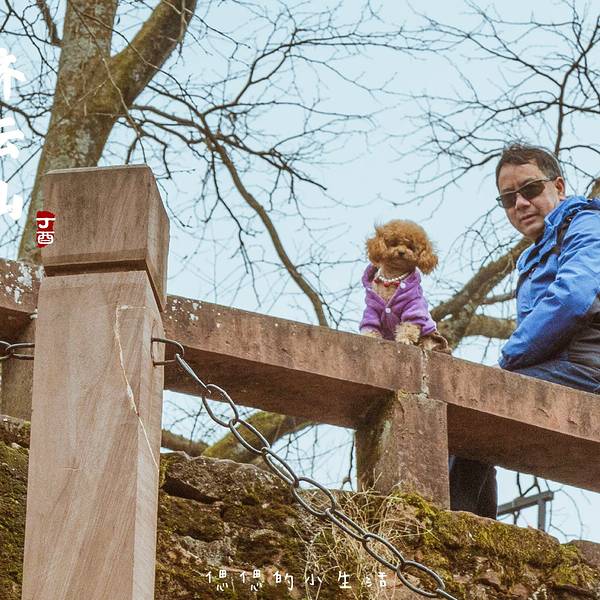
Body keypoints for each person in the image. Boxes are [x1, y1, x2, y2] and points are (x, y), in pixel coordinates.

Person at [450, 143, 600, 518]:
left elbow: (573, 297)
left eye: (530, 189)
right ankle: (466, 527)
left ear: (558, 187)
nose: (520, 203)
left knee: (473, 396)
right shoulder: (535, 254)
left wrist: (508, 359)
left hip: (588, 370)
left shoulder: (586, 224)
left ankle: (455, 524)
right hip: (567, 368)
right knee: (467, 407)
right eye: (508, 198)